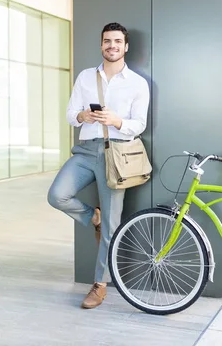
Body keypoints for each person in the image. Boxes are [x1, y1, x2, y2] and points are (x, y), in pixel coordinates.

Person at [47, 22, 150, 309]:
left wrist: (116, 121)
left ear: (126, 46)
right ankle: (93, 217)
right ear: (101, 45)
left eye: (118, 41)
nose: (112, 45)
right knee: (57, 195)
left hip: (117, 154)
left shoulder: (138, 83)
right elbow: (70, 114)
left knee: (112, 225)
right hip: (85, 150)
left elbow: (139, 124)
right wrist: (82, 116)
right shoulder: (85, 77)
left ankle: (100, 284)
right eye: (107, 41)